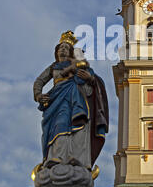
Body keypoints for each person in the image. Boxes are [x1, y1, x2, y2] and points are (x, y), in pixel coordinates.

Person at [33, 31, 109, 172]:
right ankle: (56, 158)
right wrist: (38, 95)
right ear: (56, 52)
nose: (63, 49)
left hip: (77, 100)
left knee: (79, 127)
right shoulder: (53, 67)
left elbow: (93, 80)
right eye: (60, 47)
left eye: (66, 48)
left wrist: (90, 78)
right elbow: (39, 81)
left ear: (71, 52)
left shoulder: (79, 65)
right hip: (57, 101)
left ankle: (78, 158)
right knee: (59, 125)